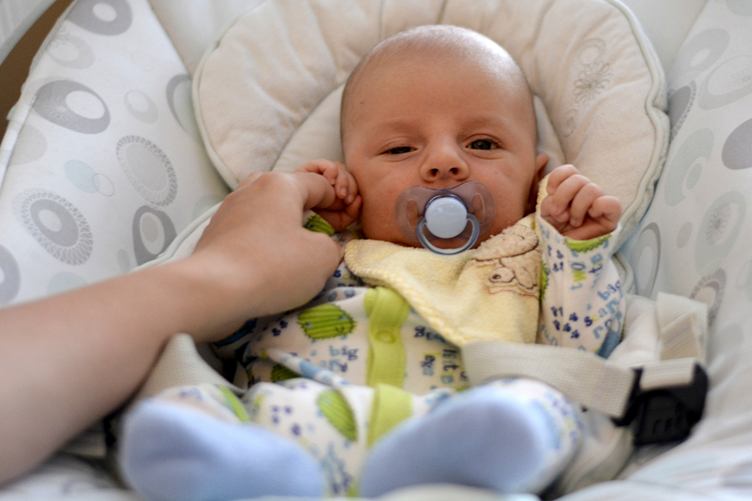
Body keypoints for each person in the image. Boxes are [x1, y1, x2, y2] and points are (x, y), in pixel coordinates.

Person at [119, 25, 624, 500]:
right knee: (191, 403)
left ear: (535, 179)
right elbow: (227, 333)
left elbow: (579, 354)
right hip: (299, 423)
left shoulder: (532, 256)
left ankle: (451, 463)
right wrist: (303, 218)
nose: (444, 162)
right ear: (352, 177)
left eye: (482, 144)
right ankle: (249, 469)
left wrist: (577, 251)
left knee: (543, 407)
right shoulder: (317, 253)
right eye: (400, 148)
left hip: (459, 424)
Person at [0, 170, 343, 486]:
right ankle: (220, 461)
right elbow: (238, 339)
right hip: (270, 426)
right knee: (190, 400)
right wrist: (307, 223)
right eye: (381, 151)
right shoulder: (325, 262)